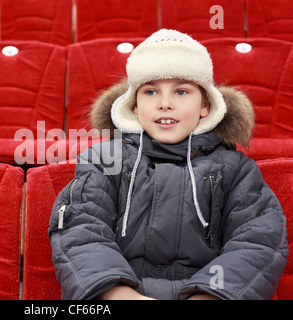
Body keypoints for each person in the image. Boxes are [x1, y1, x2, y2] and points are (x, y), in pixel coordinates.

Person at [48, 29, 288, 300]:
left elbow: (258, 241)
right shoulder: (104, 159)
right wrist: (117, 293)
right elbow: (81, 229)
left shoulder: (235, 169)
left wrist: (209, 295)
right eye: (150, 91)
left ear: (205, 105)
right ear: (135, 105)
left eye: (181, 91)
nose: (165, 104)